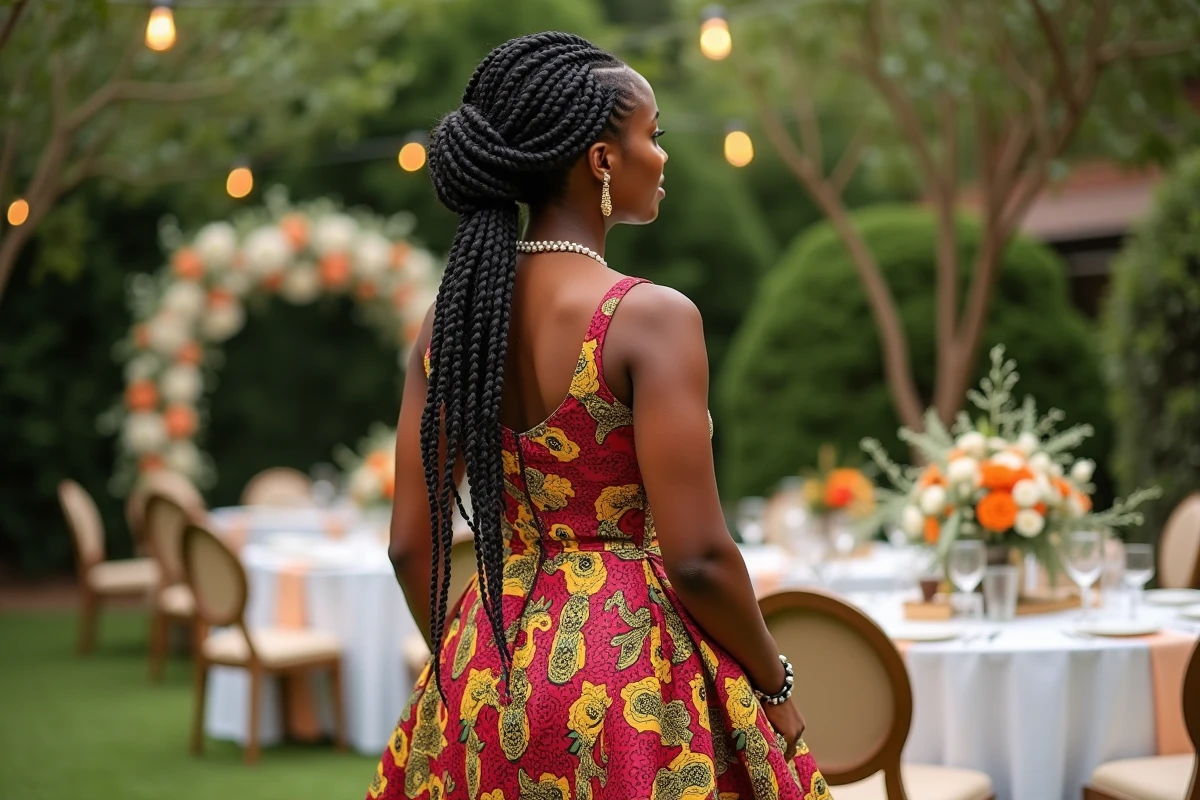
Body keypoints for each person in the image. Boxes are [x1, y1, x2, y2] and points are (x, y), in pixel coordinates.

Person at [369, 31, 829, 800]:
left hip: (491, 665)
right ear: (602, 161)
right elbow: (699, 560)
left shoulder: (452, 324)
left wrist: (473, 663)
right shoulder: (649, 317)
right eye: (653, 134)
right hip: (633, 684)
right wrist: (774, 683)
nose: (665, 155)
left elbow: (409, 547)